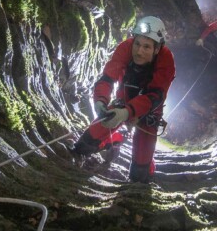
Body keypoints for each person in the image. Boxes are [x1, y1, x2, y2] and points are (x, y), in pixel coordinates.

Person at [70, 16, 176, 184]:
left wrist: (129, 113)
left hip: (148, 111)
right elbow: (107, 79)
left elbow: (155, 95)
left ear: (157, 49)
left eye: (146, 47)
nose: (139, 51)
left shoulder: (166, 60)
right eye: (137, 44)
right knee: (85, 143)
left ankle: (142, 168)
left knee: (140, 175)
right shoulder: (125, 48)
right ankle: (115, 139)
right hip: (123, 101)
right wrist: (101, 101)